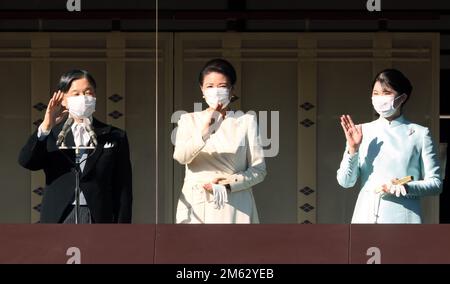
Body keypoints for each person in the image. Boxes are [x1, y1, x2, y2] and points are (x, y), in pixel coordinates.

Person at [19, 69, 132, 223]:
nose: (83, 98)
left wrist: (122, 230)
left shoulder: (115, 135)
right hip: (59, 215)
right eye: (76, 94)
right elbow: (27, 161)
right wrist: (46, 125)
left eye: (88, 92)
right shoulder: (52, 134)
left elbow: (123, 188)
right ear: (63, 99)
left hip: (97, 216)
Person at [337, 69, 442, 224]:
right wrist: (352, 150)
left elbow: (436, 184)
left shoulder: (420, 134)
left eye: (386, 92)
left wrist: (407, 187)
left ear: (402, 98)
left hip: (405, 218)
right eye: (376, 93)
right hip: (366, 218)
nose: (379, 98)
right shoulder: (361, 131)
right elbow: (345, 182)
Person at [173, 58, 266, 223]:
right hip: (197, 205)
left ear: (231, 90)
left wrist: (229, 184)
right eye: (210, 86)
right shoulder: (188, 120)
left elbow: (259, 170)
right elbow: (181, 156)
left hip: (236, 206)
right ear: (202, 90)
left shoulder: (246, 121)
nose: (216, 91)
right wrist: (204, 133)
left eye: (222, 86)